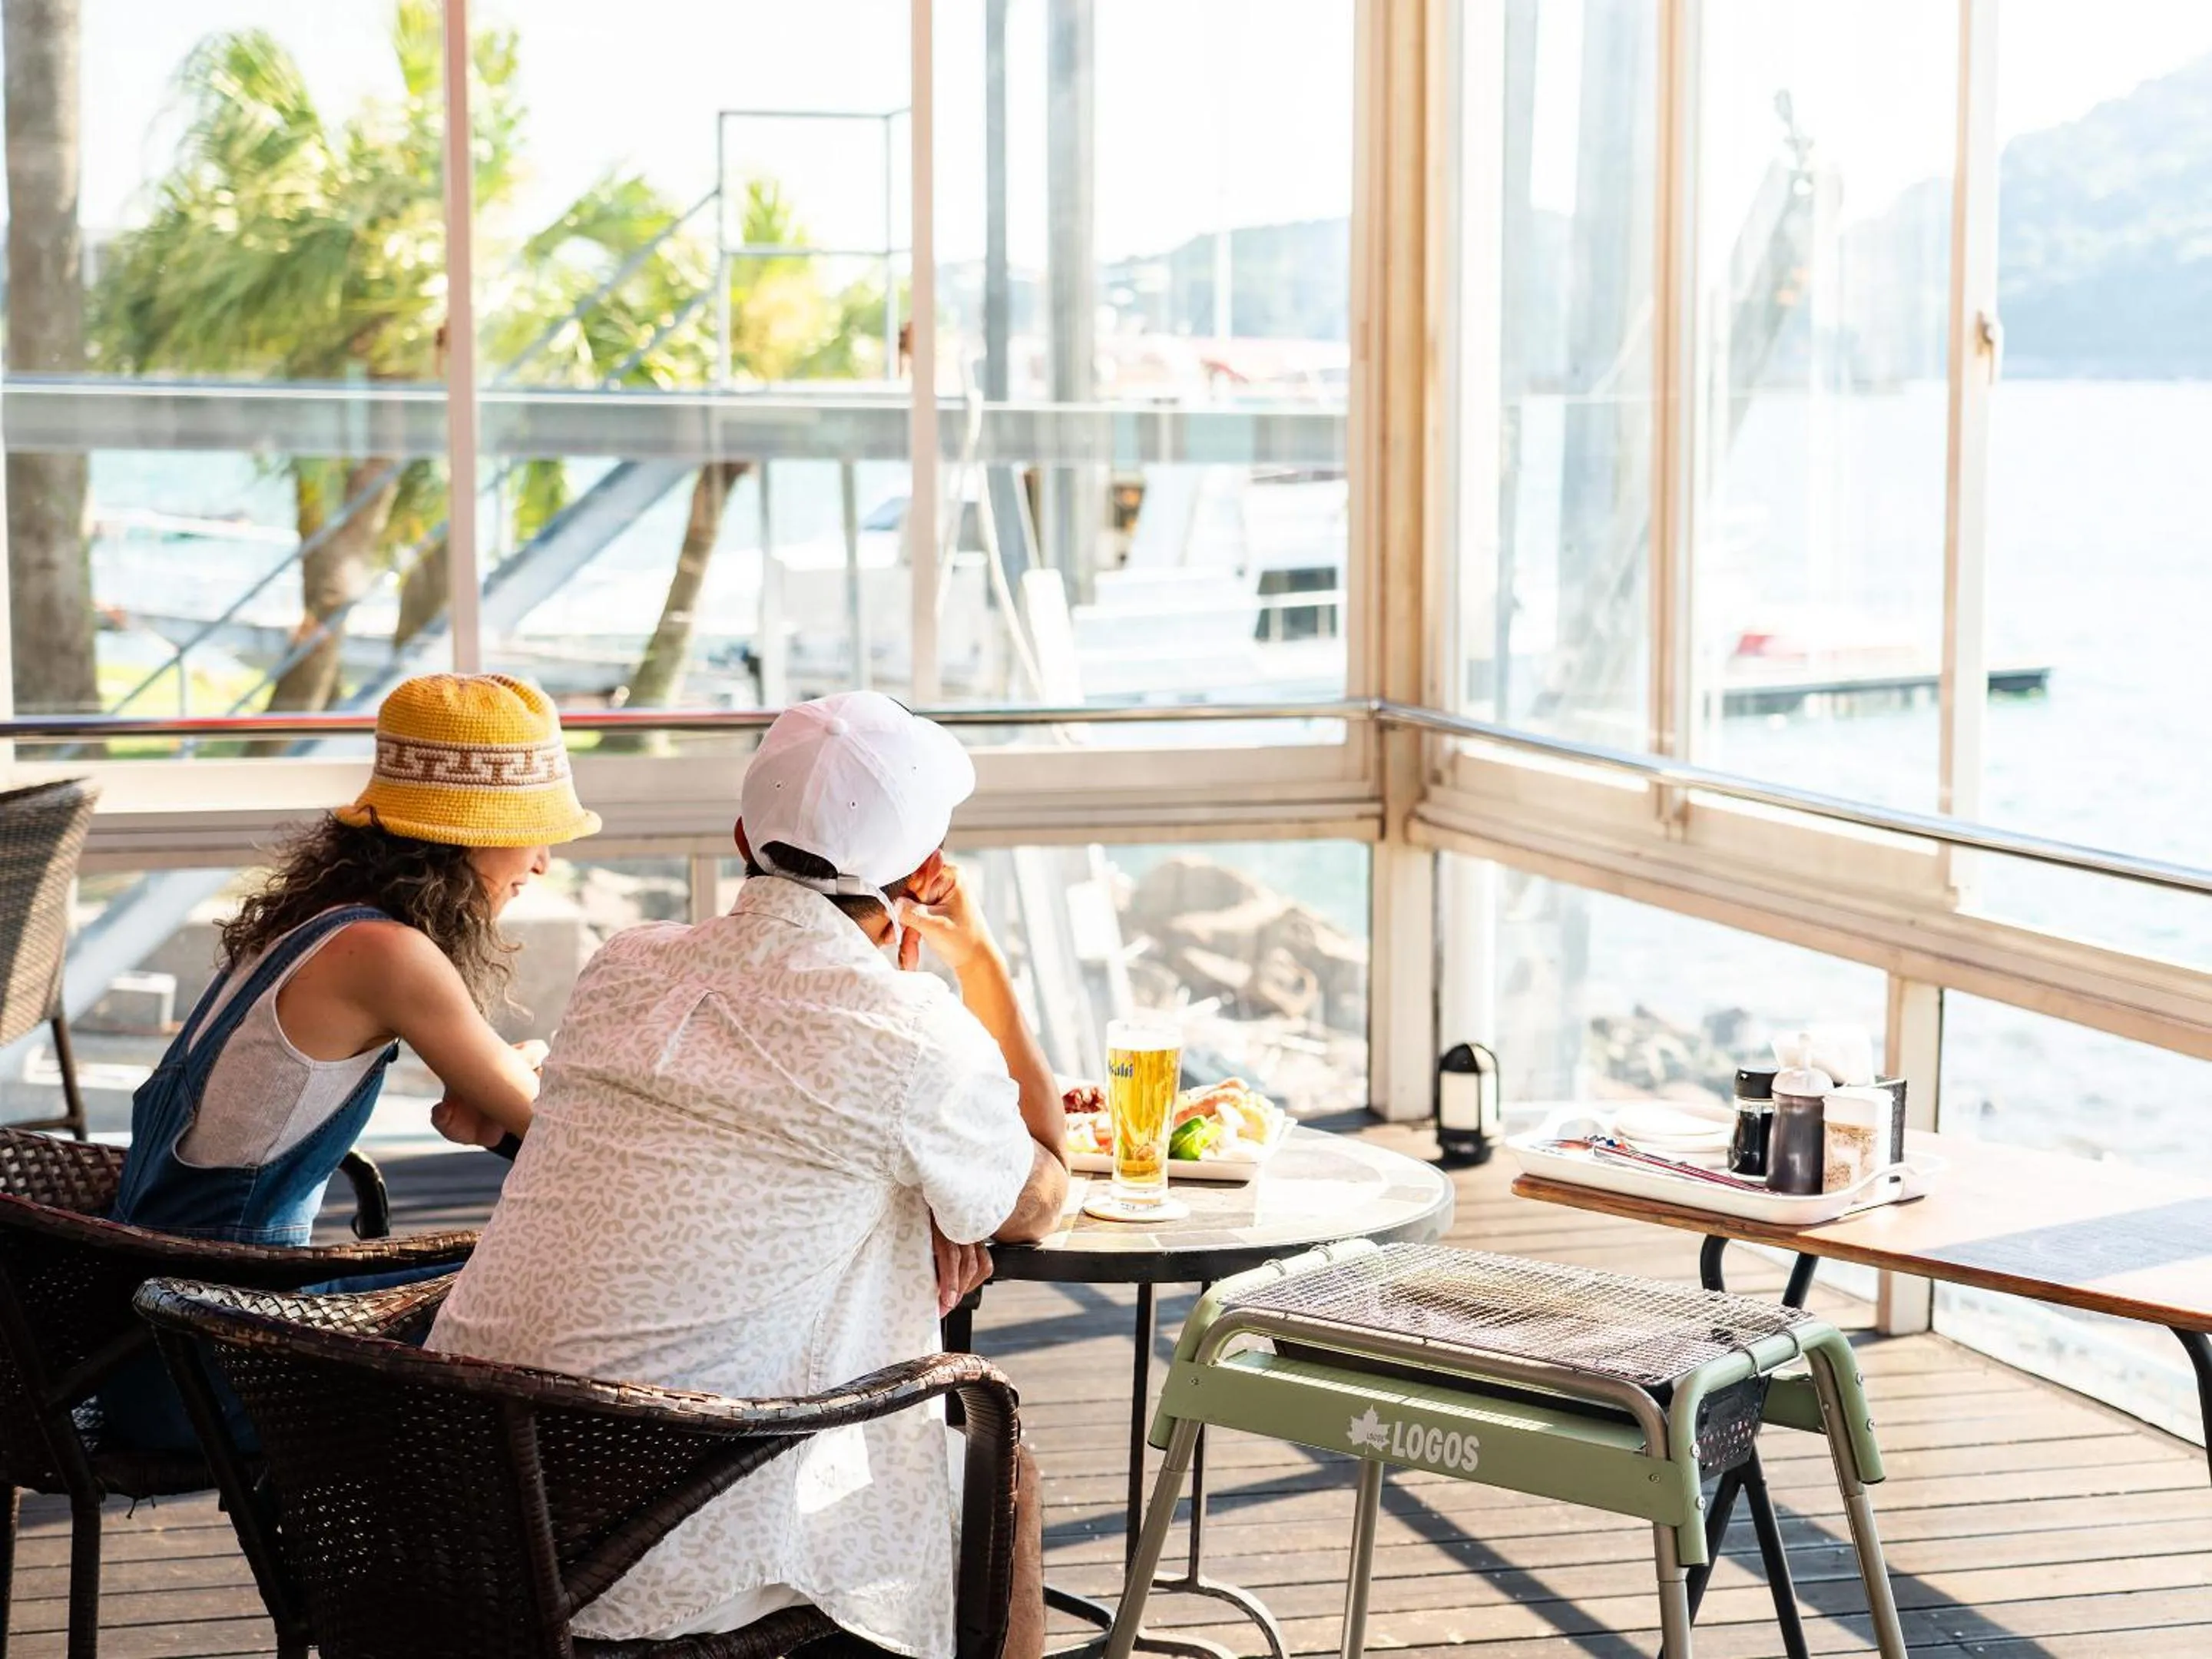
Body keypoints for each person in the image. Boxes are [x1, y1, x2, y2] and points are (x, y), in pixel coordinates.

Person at [428, 690, 1067, 1659]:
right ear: (928, 874)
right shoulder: (908, 1036)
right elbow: (1037, 1197)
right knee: (1001, 1471)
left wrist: (899, 1196)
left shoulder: (624, 967)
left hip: (455, 1500)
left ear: (741, 835)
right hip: (653, 1540)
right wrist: (981, 962)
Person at [101, 672, 599, 1445]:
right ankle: (489, 1556)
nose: (541, 863)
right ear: (470, 831)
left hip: (154, 1337)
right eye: (534, 832)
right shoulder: (386, 953)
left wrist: (500, 1103)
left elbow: (507, 1108)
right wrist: (525, 1095)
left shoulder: (316, 922)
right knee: (556, 1295)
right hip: (225, 1359)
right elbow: (564, 1139)